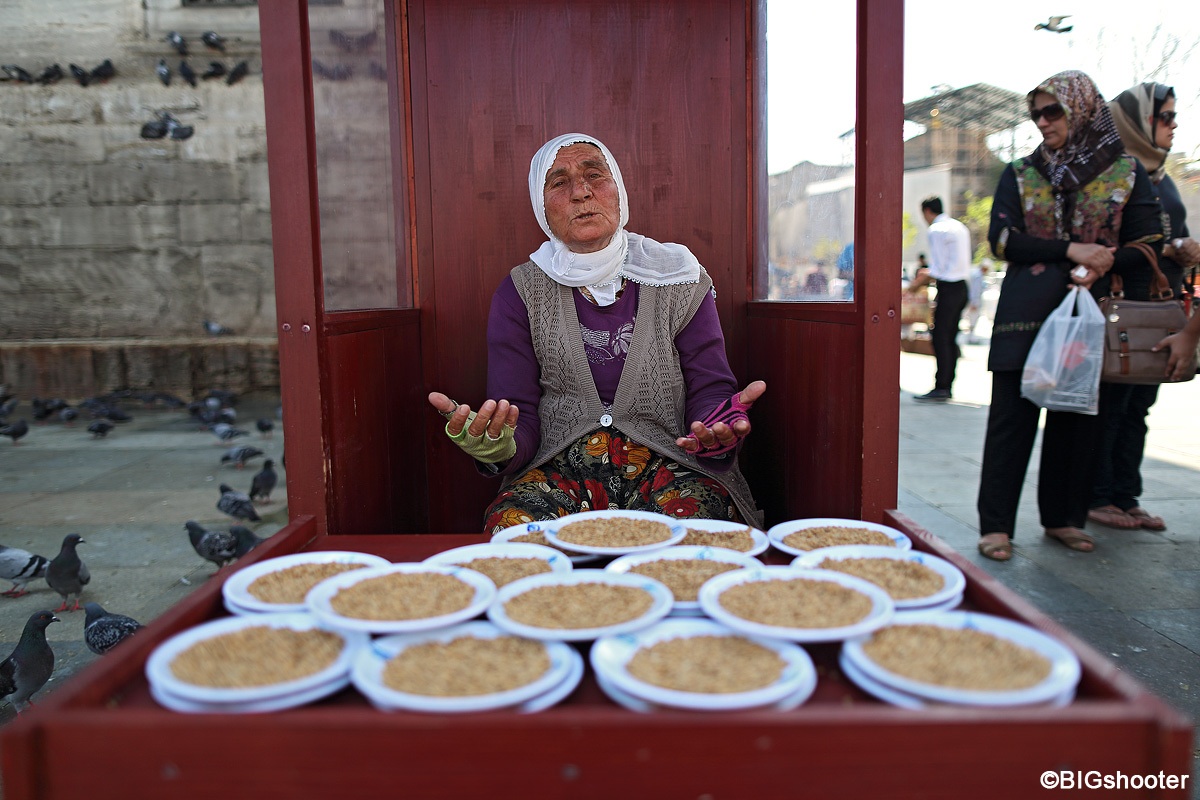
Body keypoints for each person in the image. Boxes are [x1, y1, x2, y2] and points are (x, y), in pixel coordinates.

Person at [427, 133, 765, 532]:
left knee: (702, 531)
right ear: (542, 207)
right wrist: (500, 449)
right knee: (514, 530)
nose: (581, 193)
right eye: (558, 182)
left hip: (670, 465)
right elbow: (519, 413)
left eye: (594, 175)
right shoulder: (520, 291)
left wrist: (715, 432)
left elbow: (710, 387)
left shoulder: (679, 277)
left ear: (618, 190)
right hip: (561, 472)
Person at [975, 70, 1162, 561]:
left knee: (1076, 421)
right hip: (1025, 316)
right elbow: (1001, 240)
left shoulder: (1125, 172)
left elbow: (1148, 241)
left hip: (1091, 314)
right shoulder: (1019, 172)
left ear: (1081, 109)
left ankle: (1063, 518)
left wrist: (1103, 259)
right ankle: (995, 526)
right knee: (1010, 421)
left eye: (1052, 110)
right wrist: (1075, 249)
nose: (1042, 121)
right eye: (1035, 112)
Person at [1087, 82, 1200, 532]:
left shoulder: (1162, 175)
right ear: (1135, 122)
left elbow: (1172, 228)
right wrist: (1165, 248)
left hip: (1159, 307)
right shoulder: (1111, 173)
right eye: (1165, 117)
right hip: (1120, 307)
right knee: (1111, 404)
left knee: (1139, 406)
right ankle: (1097, 496)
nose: (1173, 125)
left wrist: (1186, 248)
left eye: (1173, 117)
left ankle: (1125, 496)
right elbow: (1098, 237)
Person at [907, 197, 972, 401]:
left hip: (949, 287)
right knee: (949, 337)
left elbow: (939, 268)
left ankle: (942, 385)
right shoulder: (958, 226)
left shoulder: (937, 230)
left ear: (926, 211)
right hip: (961, 287)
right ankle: (946, 384)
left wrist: (915, 284)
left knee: (941, 338)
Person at [964, 259, 990, 344]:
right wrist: (974, 303)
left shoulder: (976, 274)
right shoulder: (977, 276)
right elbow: (975, 290)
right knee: (972, 320)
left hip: (972, 301)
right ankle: (970, 337)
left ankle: (970, 336)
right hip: (974, 302)